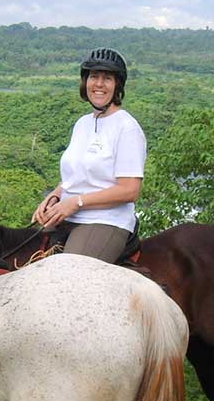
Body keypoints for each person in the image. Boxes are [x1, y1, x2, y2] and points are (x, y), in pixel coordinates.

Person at [31, 48, 146, 263]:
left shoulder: (127, 127)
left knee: (67, 273)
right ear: (86, 82)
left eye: (107, 78)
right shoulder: (82, 124)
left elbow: (130, 190)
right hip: (67, 214)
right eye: (94, 77)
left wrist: (77, 202)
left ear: (117, 85)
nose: (99, 84)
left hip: (104, 220)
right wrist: (55, 196)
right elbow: (78, 175)